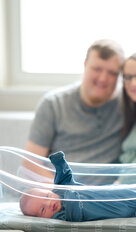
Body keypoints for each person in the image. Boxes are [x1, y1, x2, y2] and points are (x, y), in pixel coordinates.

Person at [23, 39, 125, 182]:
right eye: (97, 69)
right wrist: (67, 192)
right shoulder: (53, 104)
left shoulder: (127, 105)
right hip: (59, 194)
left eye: (112, 73)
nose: (103, 78)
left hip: (106, 198)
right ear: (85, 65)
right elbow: (30, 165)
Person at [19, 151, 136, 222]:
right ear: (42, 219)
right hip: (105, 209)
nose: (49, 203)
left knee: (124, 192)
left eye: (47, 196)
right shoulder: (61, 216)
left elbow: (65, 176)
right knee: (123, 209)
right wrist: (70, 191)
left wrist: (59, 163)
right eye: (43, 209)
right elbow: (75, 211)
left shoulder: (60, 190)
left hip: (102, 193)